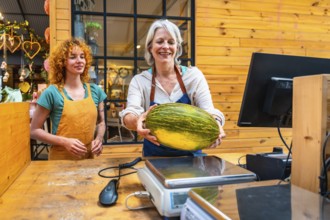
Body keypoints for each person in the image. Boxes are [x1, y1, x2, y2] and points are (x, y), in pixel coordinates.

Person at [120, 19, 226, 157]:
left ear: (177, 48)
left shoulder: (193, 76)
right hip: (155, 159)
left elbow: (209, 111)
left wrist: (216, 126)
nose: (166, 46)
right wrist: (138, 120)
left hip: (192, 159)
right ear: (150, 47)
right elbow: (129, 114)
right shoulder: (140, 81)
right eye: (160, 41)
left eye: (171, 42)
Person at [30, 38, 107, 160]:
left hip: (89, 160)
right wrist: (64, 142)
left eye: (82, 57)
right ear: (62, 62)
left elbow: (101, 123)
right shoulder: (51, 93)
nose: (79, 61)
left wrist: (98, 139)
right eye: (73, 57)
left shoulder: (95, 91)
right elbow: (34, 130)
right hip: (60, 161)